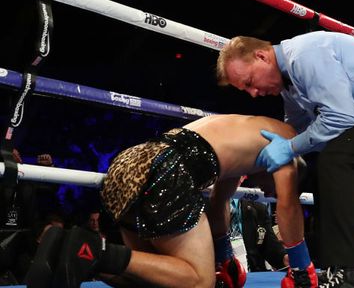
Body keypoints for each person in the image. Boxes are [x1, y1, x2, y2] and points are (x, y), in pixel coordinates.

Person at [217, 31, 354, 288]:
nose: (253, 93)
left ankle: (352, 275)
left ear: (262, 56)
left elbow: (343, 117)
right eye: (246, 89)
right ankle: (338, 270)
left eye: (250, 82)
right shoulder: (289, 85)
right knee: (325, 167)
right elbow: (294, 129)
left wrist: (289, 148)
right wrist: (257, 154)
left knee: (337, 161)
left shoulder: (304, 57)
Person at [27, 114, 317, 288]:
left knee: (153, 279)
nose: (261, 191)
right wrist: (303, 271)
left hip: (130, 161)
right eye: (271, 188)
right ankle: (92, 249)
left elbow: (218, 204)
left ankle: (64, 246)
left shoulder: (243, 136)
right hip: (168, 168)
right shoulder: (287, 148)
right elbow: (288, 206)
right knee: (198, 282)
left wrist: (225, 258)